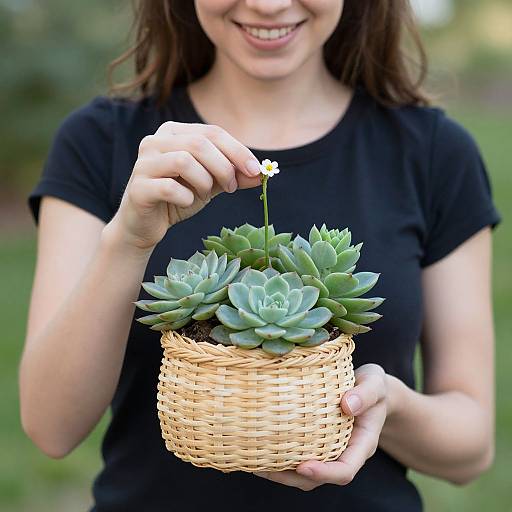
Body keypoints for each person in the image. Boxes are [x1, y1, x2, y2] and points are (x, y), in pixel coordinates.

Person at [20, 1, 501, 511]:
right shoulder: (100, 142)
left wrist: (387, 405)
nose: (268, 4)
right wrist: (128, 241)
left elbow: (470, 450)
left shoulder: (434, 153)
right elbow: (50, 428)